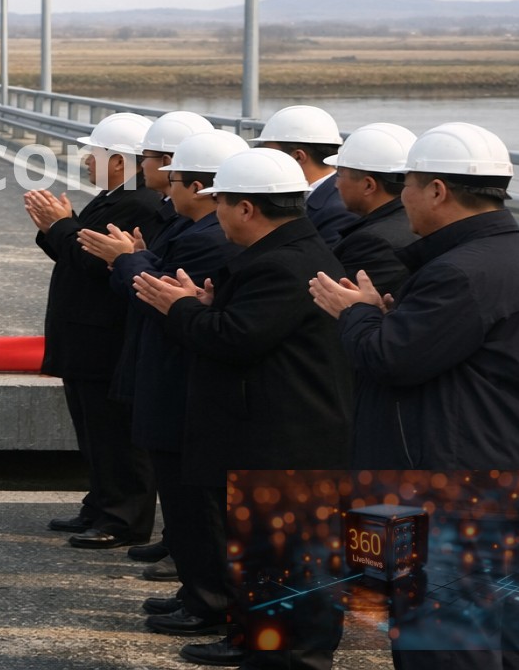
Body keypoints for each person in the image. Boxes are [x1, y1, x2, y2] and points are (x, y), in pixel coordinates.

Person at [312, 122, 519, 669]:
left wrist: (353, 314)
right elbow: (433, 349)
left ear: (437, 191)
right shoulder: (503, 257)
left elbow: (389, 358)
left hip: (456, 492)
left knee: (443, 642)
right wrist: (384, 317)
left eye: (407, 186)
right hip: (495, 479)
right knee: (498, 633)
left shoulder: (463, 271)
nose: (402, 199)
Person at [135, 148, 352, 668]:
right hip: (278, 436)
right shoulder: (286, 252)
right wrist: (206, 307)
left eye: (223, 204)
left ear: (248, 208)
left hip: (285, 441)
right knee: (272, 562)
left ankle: (290, 655)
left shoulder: (281, 263)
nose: (219, 214)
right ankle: (265, 647)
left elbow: (233, 340)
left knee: (288, 563)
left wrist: (181, 308)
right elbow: (254, 330)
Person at [81, 129, 246, 639]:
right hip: (166, 376)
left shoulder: (207, 239)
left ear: (198, 186)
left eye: (172, 180)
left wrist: (128, 260)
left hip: (185, 385)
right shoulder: (187, 228)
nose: (164, 192)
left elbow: (153, 291)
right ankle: (195, 592)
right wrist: (134, 261)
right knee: (184, 503)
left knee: (199, 506)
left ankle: (209, 600)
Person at [25, 112, 168, 549]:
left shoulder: (138, 204)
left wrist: (61, 225)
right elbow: (79, 254)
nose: (87, 160)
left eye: (96, 153)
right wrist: (57, 230)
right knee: (94, 434)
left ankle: (122, 518)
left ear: (121, 161)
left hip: (107, 339)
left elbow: (96, 262)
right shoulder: (115, 196)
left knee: (116, 437)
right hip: (86, 336)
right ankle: (100, 504)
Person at [84, 109, 211, 573]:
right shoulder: (172, 216)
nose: (146, 168)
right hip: (149, 347)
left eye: (155, 160)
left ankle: (194, 567)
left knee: (172, 463)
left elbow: (157, 287)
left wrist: (129, 261)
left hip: (166, 354)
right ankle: (180, 545)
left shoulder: (179, 223)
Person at [319, 122, 418, 470]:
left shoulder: (375, 239)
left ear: (369, 184)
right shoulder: (406, 224)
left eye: (341, 173)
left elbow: (341, 313)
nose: (334, 182)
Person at [253, 105, 356, 247]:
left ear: (298, 157)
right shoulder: (326, 198)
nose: (266, 161)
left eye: (272, 154)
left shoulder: (336, 210)